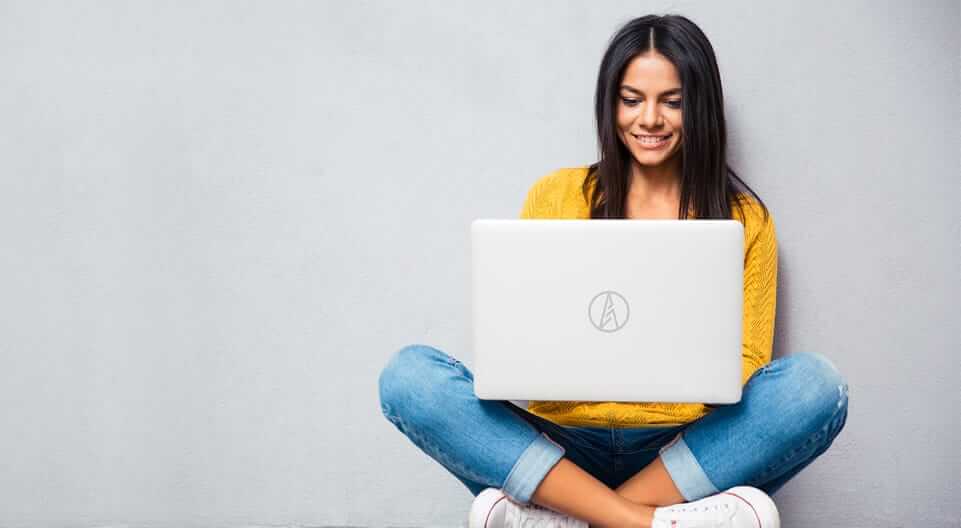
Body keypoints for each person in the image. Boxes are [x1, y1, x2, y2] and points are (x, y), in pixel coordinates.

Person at [378, 13, 849, 528]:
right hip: (558, 446)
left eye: (673, 101)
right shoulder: (555, 195)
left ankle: (566, 517)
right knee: (410, 378)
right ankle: (642, 522)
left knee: (814, 387)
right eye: (632, 100)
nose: (650, 119)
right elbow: (520, 343)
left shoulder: (744, 219)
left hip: (682, 451)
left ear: (702, 107)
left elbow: (746, 365)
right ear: (610, 104)